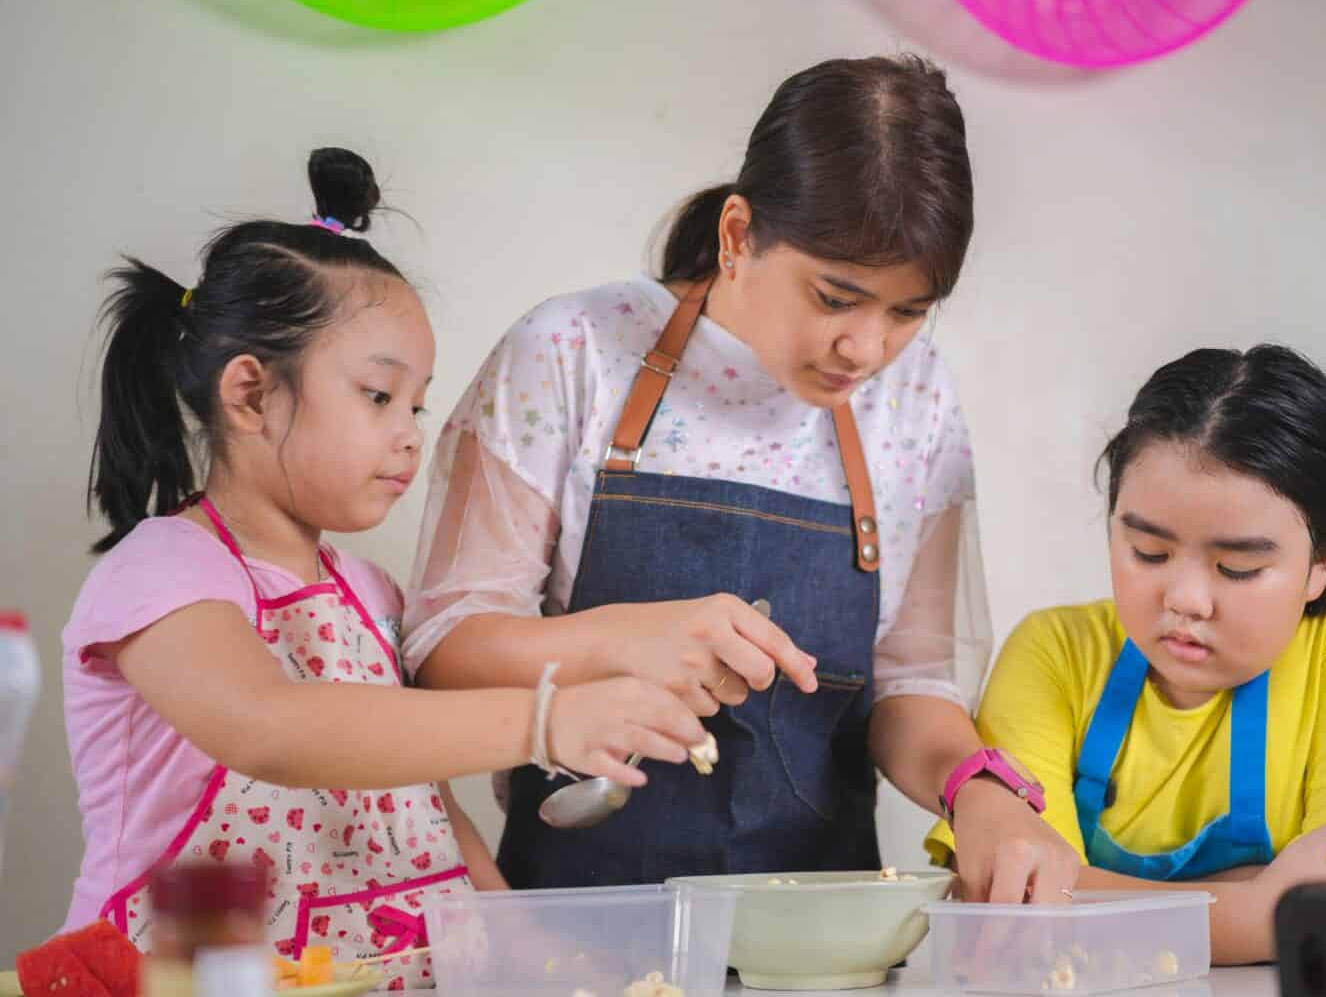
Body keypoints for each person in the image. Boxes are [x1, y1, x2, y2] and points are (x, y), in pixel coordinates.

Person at [403, 55, 1078, 903]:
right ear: (735, 236)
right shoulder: (573, 349)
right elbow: (441, 647)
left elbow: (910, 684)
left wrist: (979, 792)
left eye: (907, 312)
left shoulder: (917, 398)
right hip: (578, 915)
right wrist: (616, 641)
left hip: (824, 932)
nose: (866, 350)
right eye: (836, 298)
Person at [60, 149, 707, 980]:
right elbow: (274, 729)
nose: (410, 433)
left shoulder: (371, 595)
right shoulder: (165, 569)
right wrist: (543, 718)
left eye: (418, 402)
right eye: (377, 395)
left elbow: (420, 802)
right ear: (252, 394)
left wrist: (533, 952)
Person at [927, 344, 1326, 962]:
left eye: (1237, 567)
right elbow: (1017, 901)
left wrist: (1092, 900)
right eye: (1149, 553)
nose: (1187, 599)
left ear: (1322, 563)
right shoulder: (1055, 654)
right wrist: (1254, 911)